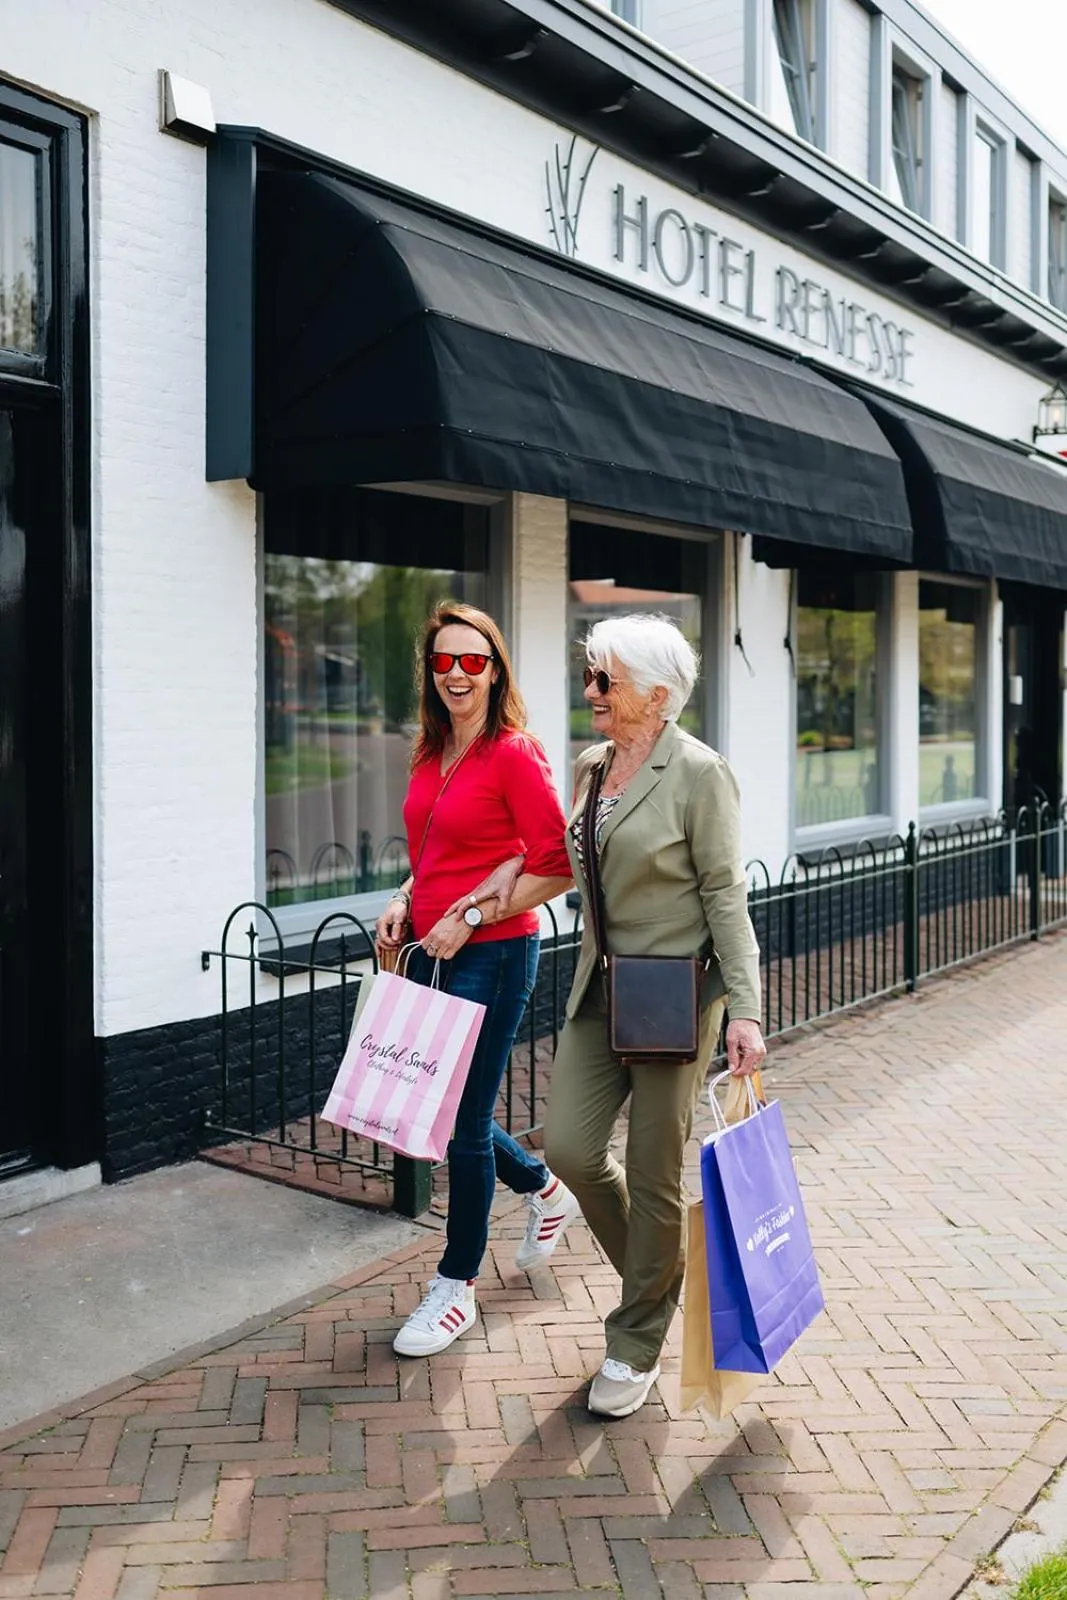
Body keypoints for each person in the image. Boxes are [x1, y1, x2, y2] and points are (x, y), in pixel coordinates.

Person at [543, 613, 766, 1419]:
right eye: (590, 675)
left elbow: (724, 895)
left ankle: (634, 1339)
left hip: (674, 999)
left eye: (606, 679)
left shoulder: (700, 774)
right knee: (568, 1150)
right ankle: (660, 1273)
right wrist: (473, 899)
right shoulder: (591, 765)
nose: (591, 691)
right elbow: (568, 865)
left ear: (658, 695)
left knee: (652, 1169)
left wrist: (744, 1009)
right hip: (597, 991)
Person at [376, 602, 578, 1358]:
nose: (457, 674)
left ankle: (455, 1286)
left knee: (461, 1124)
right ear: (429, 671)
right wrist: (405, 898)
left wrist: (469, 914)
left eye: (472, 661)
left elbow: (557, 864)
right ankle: (543, 1188)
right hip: (429, 950)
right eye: (443, 661)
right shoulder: (430, 752)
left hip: (493, 956)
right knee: (435, 1102)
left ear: (495, 671)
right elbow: (434, 853)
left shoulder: (513, 754)